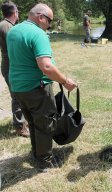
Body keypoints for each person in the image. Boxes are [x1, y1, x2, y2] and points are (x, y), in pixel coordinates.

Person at [7, 3, 77, 171]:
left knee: (32, 122)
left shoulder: (13, 31)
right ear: (41, 17)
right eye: (49, 21)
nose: (50, 25)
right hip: (36, 88)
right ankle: (45, 161)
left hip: (17, 87)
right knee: (46, 124)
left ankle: (37, 153)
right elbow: (46, 67)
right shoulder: (38, 34)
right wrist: (65, 81)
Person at [0, 1, 30, 137]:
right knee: (17, 96)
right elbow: (15, 45)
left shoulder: (8, 25)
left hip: (13, 67)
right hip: (11, 68)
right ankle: (20, 127)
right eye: (17, 11)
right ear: (15, 12)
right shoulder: (6, 26)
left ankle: (23, 122)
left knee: (20, 95)